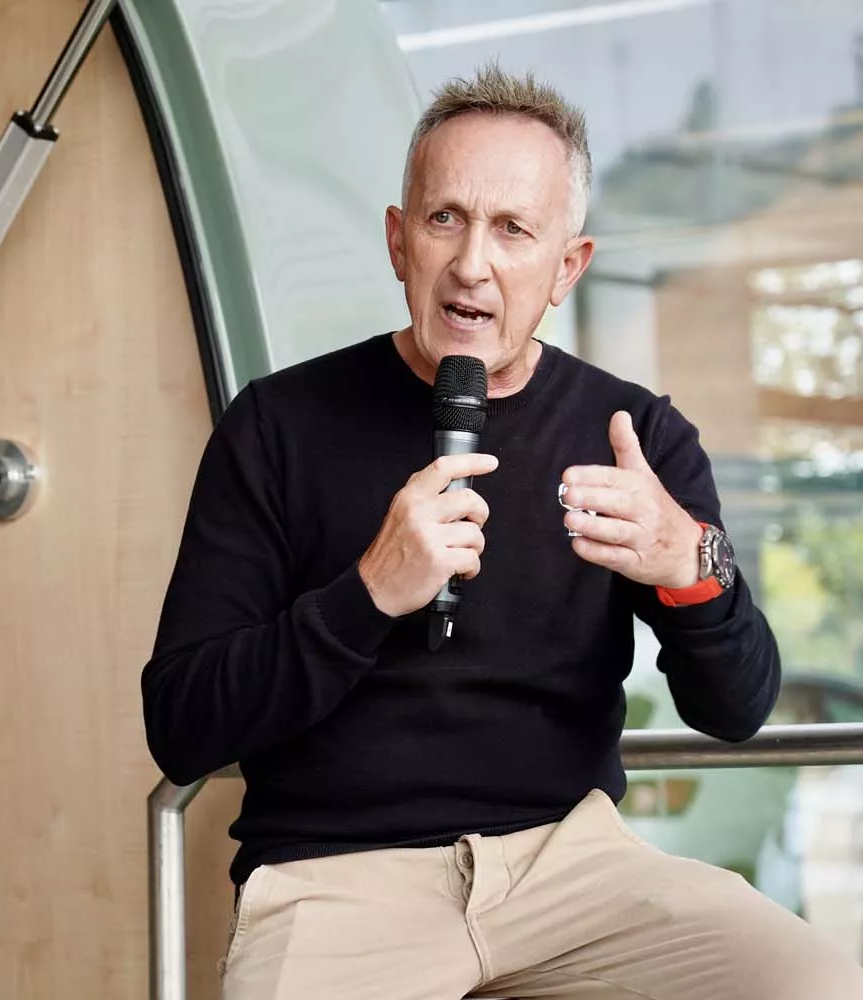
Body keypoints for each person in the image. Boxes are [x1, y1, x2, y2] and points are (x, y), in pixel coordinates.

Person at [142, 65, 863, 999]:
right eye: (445, 219)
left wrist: (692, 567)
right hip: (339, 881)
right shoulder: (277, 425)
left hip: (573, 870)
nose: (472, 264)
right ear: (398, 243)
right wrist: (368, 595)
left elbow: (737, 708)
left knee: (810, 982)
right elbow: (182, 727)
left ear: (569, 266)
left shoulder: (634, 438)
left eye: (514, 229)